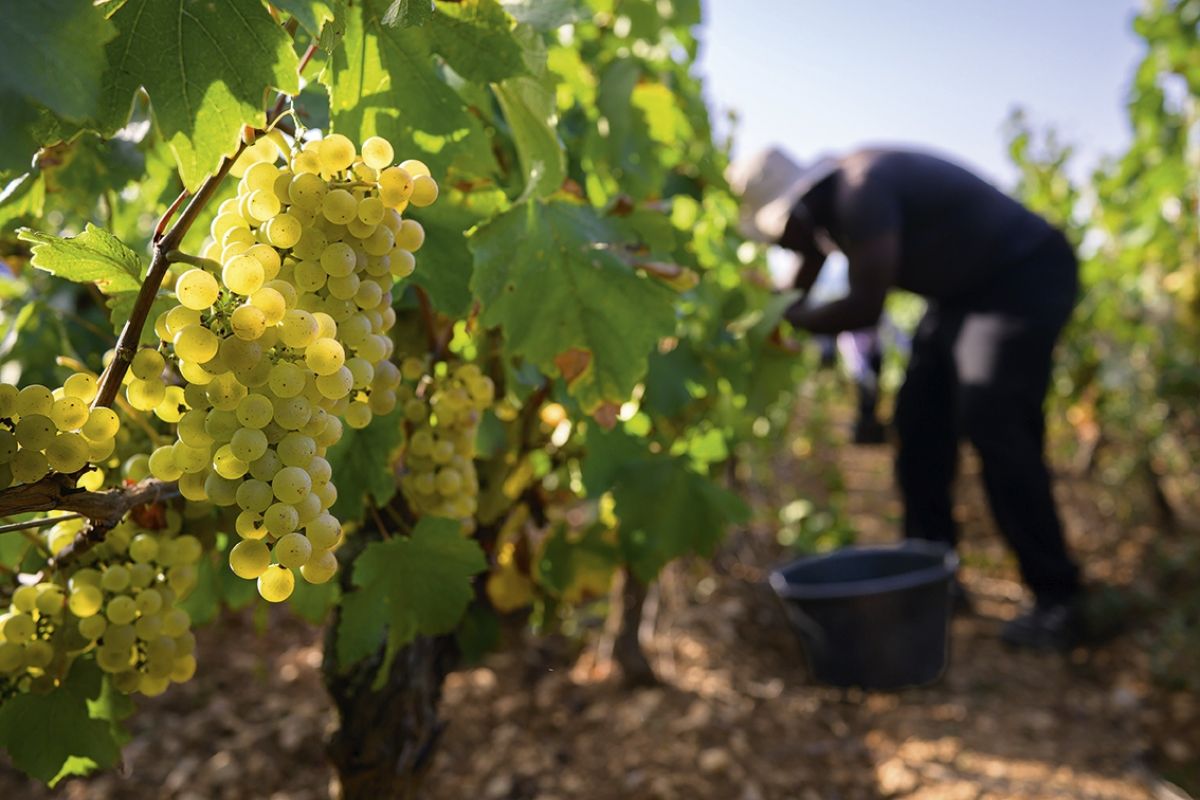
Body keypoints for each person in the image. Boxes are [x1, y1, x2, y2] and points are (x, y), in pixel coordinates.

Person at [728, 145, 1085, 649]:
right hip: (960, 294)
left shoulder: (860, 192)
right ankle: (934, 575)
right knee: (918, 423)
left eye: (779, 233)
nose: (783, 246)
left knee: (992, 416)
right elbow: (797, 287)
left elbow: (865, 307)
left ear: (798, 208)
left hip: (1023, 273)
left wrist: (790, 322)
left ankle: (1058, 597)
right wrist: (766, 316)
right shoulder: (823, 220)